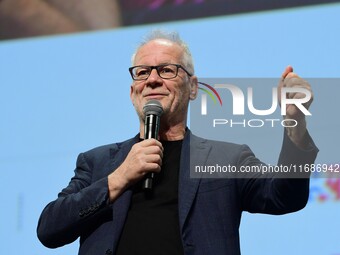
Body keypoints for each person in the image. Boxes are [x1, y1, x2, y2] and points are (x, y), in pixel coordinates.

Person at [37, 30, 318, 255]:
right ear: (133, 90)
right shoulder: (98, 162)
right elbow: (50, 228)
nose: (153, 80)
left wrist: (297, 124)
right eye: (142, 72)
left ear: (193, 88)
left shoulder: (226, 159)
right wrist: (118, 179)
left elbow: (285, 196)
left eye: (167, 70)